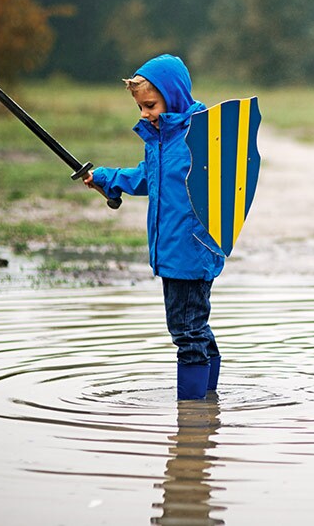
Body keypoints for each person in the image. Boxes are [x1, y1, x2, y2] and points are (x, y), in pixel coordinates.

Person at [83, 54, 225, 399]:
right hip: (171, 250)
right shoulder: (162, 141)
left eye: (151, 105)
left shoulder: (199, 139)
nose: (145, 114)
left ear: (173, 97)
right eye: (141, 108)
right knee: (195, 329)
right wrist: (107, 178)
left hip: (190, 251)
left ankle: (191, 416)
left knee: (186, 332)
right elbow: (148, 177)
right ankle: (208, 400)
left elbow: (223, 186)